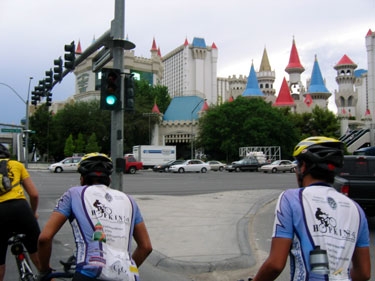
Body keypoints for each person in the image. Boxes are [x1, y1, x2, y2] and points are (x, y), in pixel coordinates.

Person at [252, 136, 371, 281]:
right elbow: (364, 273)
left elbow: (275, 264)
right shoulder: (356, 209)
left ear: (303, 167)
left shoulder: (291, 198)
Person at [38, 152, 152, 281]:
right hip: (127, 276)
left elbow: (44, 238)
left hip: (89, 273)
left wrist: (44, 270)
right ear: (109, 180)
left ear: (82, 179)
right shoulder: (129, 201)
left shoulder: (74, 193)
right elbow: (146, 247)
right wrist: (126, 269)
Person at [0, 143, 40, 280]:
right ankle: (47, 275)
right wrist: (33, 213)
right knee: (36, 250)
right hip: (21, 209)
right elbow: (34, 195)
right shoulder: (17, 165)